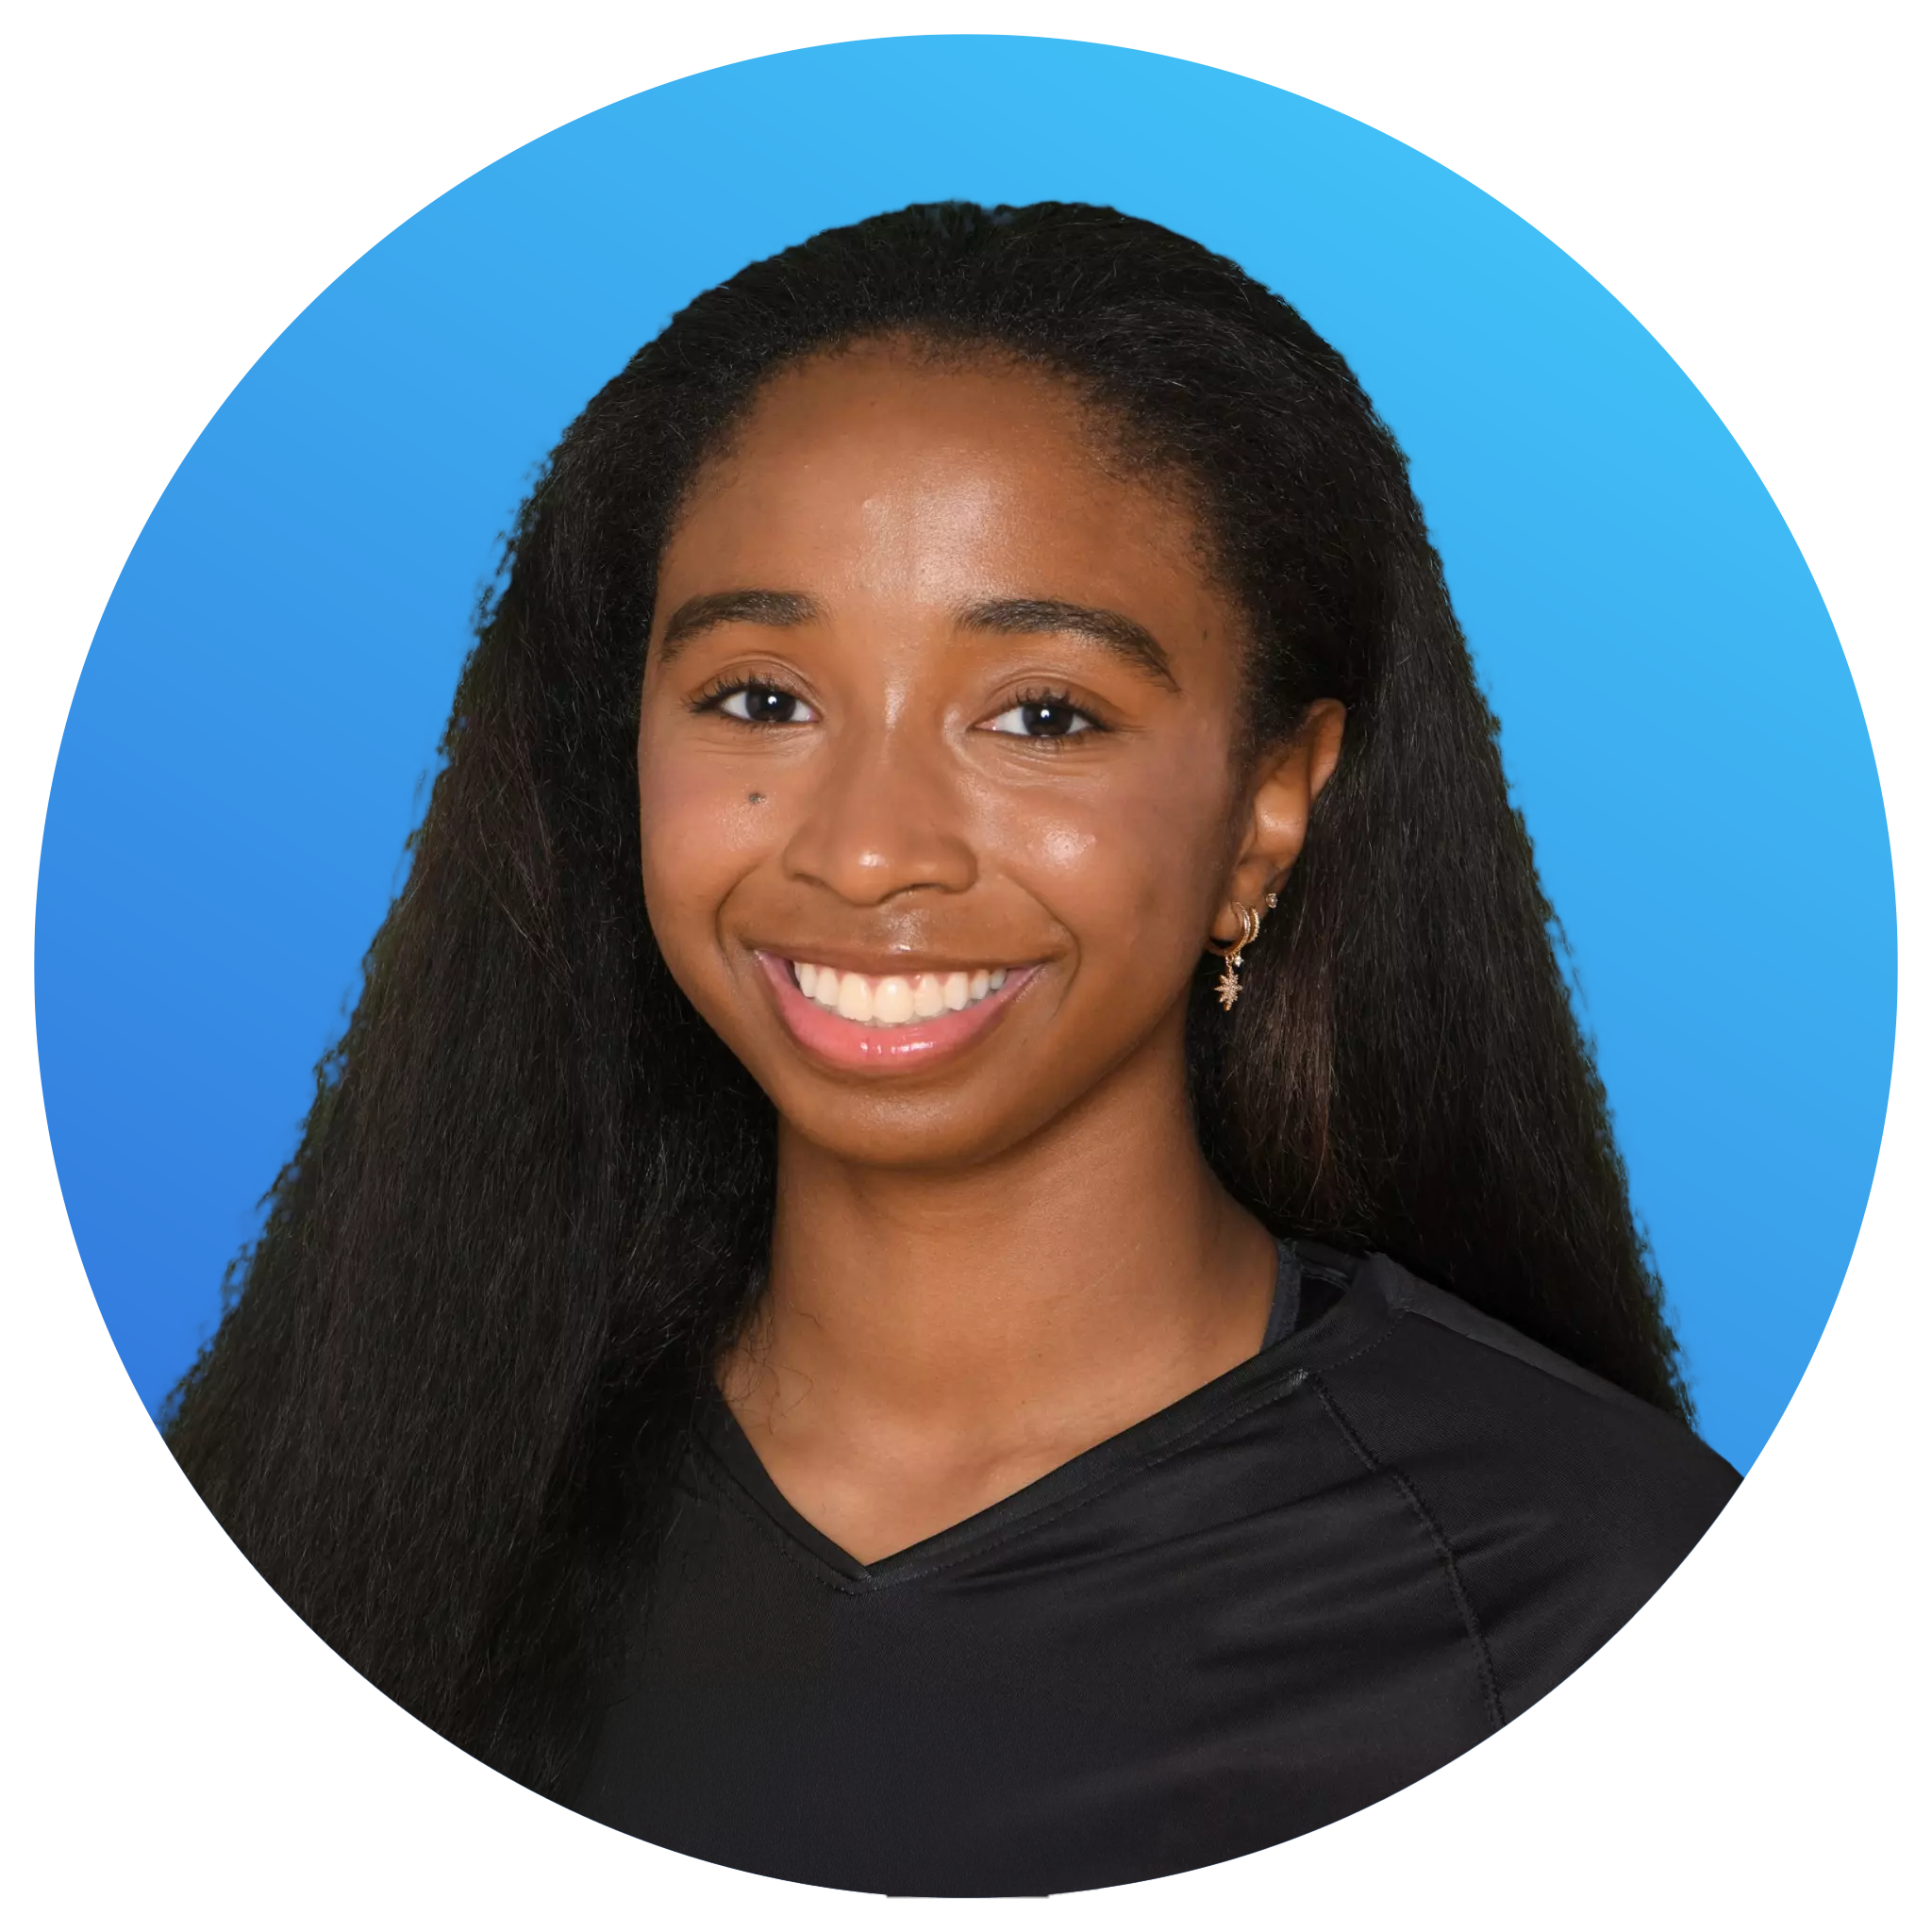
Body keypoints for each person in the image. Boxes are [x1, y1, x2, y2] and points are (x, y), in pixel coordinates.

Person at [159, 201, 1743, 1896]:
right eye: (761, 697)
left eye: (1042, 715)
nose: (864, 849)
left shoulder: (1631, 1595)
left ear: (1269, 806)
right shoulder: (337, 1497)